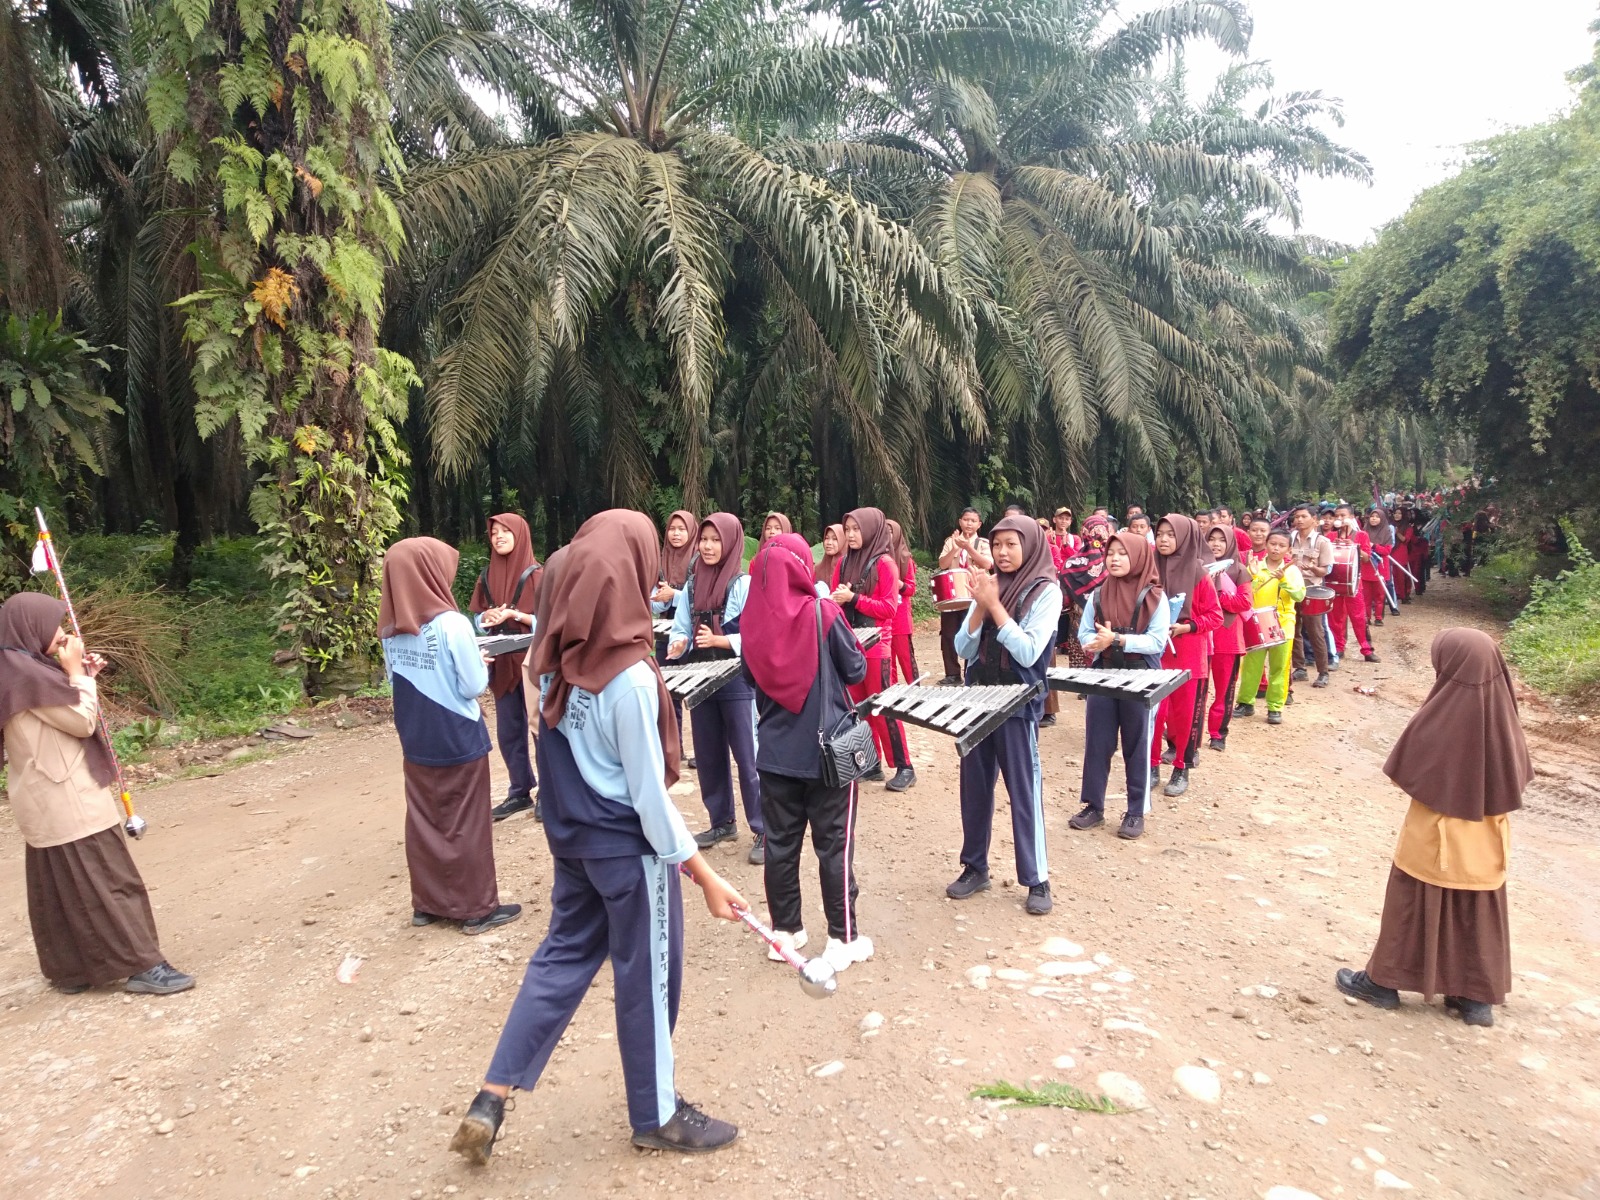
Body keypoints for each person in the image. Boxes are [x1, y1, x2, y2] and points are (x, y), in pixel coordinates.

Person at [450, 510, 748, 1165]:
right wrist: (705, 875)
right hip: (627, 857)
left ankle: (490, 1097)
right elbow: (649, 802)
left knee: (558, 961)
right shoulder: (631, 680)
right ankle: (657, 1113)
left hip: (574, 844)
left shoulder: (553, 660)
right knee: (649, 977)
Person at [0, 593, 194, 996]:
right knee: (111, 881)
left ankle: (73, 970)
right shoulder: (28, 678)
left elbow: (59, 709)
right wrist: (79, 675)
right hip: (68, 798)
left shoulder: (19, 670)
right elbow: (82, 721)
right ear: (30, 628)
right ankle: (144, 966)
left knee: (60, 888)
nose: (62, 633)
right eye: (53, 624)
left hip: (43, 799)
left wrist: (78, 674)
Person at [1336, 629, 1529, 1028]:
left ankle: (1382, 982)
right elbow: (1518, 775)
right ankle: (1474, 997)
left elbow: (1405, 769)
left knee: (1412, 899)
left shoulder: (1441, 714)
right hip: (1486, 842)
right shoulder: (1505, 717)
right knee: (1478, 908)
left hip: (1435, 837)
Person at [740, 533, 873, 971]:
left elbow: (750, 680)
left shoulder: (751, 623)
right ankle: (842, 938)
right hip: (826, 755)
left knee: (780, 845)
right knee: (834, 846)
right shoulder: (823, 612)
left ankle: (785, 932)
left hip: (774, 755)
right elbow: (856, 668)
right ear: (801, 567)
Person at [380, 539, 522, 934]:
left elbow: (393, 677)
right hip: (457, 733)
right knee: (467, 821)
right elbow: (472, 686)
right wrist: (478, 662)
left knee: (424, 818)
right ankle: (476, 908)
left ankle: (427, 905)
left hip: (415, 733)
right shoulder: (452, 624)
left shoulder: (390, 625)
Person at [947, 516, 1062, 912]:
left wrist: (994, 607)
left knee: (1023, 790)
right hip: (977, 700)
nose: (1002, 552)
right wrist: (980, 608)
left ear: (1029, 546)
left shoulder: (1046, 592)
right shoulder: (990, 584)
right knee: (974, 788)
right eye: (997, 545)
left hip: (1017, 704)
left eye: (1012, 544)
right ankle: (974, 867)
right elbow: (963, 648)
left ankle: (1037, 879)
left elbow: (1028, 652)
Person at [667, 513, 765, 862]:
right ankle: (721, 821)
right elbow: (681, 627)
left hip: (736, 679)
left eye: (715, 540)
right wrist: (679, 643)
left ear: (730, 542)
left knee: (748, 755)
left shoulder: (743, 584)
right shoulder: (692, 585)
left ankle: (764, 828)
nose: (707, 547)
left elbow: (757, 634)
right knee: (708, 754)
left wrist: (721, 641)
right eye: (704, 540)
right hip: (700, 677)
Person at [1068, 533, 1170, 840]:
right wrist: (1096, 643)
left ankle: (1135, 811)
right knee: (1097, 740)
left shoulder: (1155, 597)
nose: (1114, 559)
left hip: (1141, 676)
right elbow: (1085, 634)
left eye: (1122, 553)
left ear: (1138, 557)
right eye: (1110, 553)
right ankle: (1093, 806)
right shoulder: (1099, 594)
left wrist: (1119, 639)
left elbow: (1156, 642)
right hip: (1104, 673)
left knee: (1137, 744)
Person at [833, 507, 916, 791]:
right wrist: (838, 600)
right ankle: (870, 762)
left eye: (856, 529)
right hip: (851, 645)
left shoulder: (885, 564)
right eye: (848, 530)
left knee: (883, 707)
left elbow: (889, 608)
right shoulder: (843, 563)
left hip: (877, 647)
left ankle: (905, 766)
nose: (850, 535)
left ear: (871, 530)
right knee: (857, 708)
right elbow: (835, 600)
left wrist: (853, 598)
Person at [470, 513, 542, 821]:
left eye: (505, 531)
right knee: (509, 731)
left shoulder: (538, 575)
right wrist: (485, 618)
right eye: (494, 532)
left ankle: (550, 793)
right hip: (500, 660)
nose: (498, 536)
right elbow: (477, 616)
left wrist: (517, 616)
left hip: (531, 660)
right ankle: (519, 791)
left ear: (520, 535)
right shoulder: (486, 575)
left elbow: (551, 621)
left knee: (540, 727)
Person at [1151, 515, 1222, 797]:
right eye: (1160, 534)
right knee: (1155, 713)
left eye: (1171, 534)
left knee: (1185, 715)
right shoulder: (1149, 566)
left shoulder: (1197, 572)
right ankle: (1151, 764)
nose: (1163, 539)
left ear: (1184, 538)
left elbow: (1215, 616)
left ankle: (1181, 768)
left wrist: (1187, 626)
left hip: (1189, 652)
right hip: (1155, 651)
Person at [1232, 530, 1304, 726]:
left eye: (1281, 546)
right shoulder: (1255, 566)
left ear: (1288, 549)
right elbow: (1247, 592)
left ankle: (1275, 707)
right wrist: (1253, 575)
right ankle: (1245, 702)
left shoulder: (1292, 571)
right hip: (1257, 623)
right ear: (1266, 544)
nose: (1276, 549)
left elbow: (1299, 596)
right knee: (1251, 666)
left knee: (1280, 667)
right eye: (1273, 544)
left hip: (1283, 624)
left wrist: (1283, 580)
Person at [652, 509, 698, 765]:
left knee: (696, 689)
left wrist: (675, 595)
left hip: (691, 632)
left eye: (682, 529)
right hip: (664, 632)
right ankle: (673, 748)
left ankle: (703, 750)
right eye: (672, 529)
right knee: (668, 691)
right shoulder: (661, 560)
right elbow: (656, 601)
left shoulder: (700, 559)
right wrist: (659, 598)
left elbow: (702, 597)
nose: (676, 534)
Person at [1205, 525, 1254, 752]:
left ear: (1231, 543)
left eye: (1221, 540)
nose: (1216, 544)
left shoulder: (1239, 570)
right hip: (1201, 636)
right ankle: (1188, 733)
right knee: (1196, 690)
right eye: (1211, 539)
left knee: (1224, 690)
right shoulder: (1197, 567)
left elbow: (1245, 602)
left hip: (1228, 638)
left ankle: (1218, 733)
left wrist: (1218, 597)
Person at [937, 508, 992, 684]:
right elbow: (943, 564)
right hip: (952, 594)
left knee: (974, 632)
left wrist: (968, 547)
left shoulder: (983, 543)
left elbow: (987, 564)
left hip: (975, 595)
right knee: (948, 634)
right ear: (960, 522)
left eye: (973, 521)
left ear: (979, 524)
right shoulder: (950, 541)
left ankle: (972, 672)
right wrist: (954, 548)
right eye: (966, 520)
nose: (969, 523)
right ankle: (952, 674)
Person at [1042, 508, 1082, 724]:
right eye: (1061, 517)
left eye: (1068, 518)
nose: (1064, 521)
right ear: (1054, 520)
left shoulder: (1069, 541)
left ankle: (1049, 708)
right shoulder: (1028, 548)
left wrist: (1064, 546)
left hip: (1062, 587)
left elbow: (1069, 563)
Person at [1287, 505, 1332, 688]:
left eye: (1303, 516)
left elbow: (1324, 571)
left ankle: (1323, 672)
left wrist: (1313, 568)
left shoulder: (1322, 542)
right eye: (1297, 516)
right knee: (1293, 628)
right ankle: (1299, 667)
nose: (1299, 520)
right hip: (1291, 588)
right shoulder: (1289, 538)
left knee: (1315, 632)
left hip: (1312, 589)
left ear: (1314, 519)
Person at [1329, 505, 1379, 663]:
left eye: (1343, 515)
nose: (1339, 519)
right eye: (1337, 516)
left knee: (1358, 617)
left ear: (1351, 517)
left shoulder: (1361, 535)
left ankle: (1366, 649)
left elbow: (1366, 558)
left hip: (1354, 583)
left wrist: (1352, 545)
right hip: (1335, 582)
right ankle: (1338, 648)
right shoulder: (1330, 536)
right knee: (1335, 617)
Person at [885, 518, 919, 686]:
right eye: (884, 532)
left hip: (900, 617)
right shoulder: (877, 557)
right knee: (887, 659)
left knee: (906, 658)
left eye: (890, 532)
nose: (887, 535)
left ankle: (916, 690)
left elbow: (911, 588)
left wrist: (898, 584)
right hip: (884, 616)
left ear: (897, 534)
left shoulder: (906, 559)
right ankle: (892, 692)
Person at [1364, 507, 1395, 627]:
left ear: (1382, 519)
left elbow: (1387, 551)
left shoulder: (1386, 532)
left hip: (1380, 567)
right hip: (1366, 566)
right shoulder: (1364, 531)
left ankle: (1378, 617)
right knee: (1366, 596)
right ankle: (1366, 617)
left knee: (1380, 595)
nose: (1373, 519)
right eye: (1372, 516)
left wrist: (1374, 546)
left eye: (1377, 517)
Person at [815, 522, 845, 591]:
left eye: (834, 539)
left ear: (843, 541)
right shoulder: (817, 569)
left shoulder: (850, 569)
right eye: (827, 538)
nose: (829, 543)